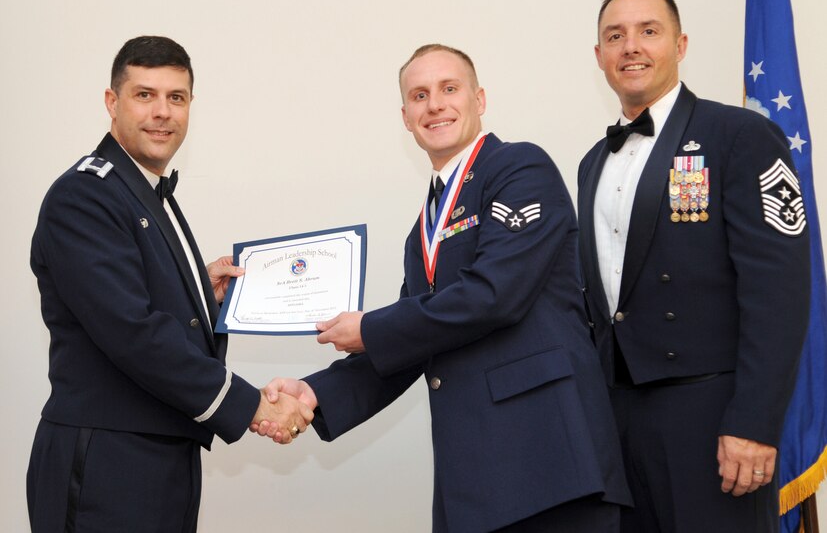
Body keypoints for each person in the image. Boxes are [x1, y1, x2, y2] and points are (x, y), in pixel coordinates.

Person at [258, 44, 631, 532]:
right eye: (419, 95)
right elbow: (414, 340)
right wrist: (312, 394)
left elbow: (493, 295)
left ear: (479, 99)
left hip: (548, 461)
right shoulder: (424, 231)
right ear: (406, 118)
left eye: (448, 89)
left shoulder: (520, 169)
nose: (434, 105)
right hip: (478, 477)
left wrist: (370, 326)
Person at [27, 36, 313, 532]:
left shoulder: (145, 191)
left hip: (157, 455)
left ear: (190, 107)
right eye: (145, 95)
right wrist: (253, 405)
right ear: (111, 103)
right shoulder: (83, 196)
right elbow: (132, 331)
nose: (162, 112)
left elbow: (127, 292)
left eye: (176, 98)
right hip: (106, 463)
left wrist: (201, 292)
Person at [578, 0, 810, 532]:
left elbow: (779, 292)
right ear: (599, 57)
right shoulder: (592, 163)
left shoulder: (740, 135)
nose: (631, 47)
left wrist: (754, 423)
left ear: (680, 45)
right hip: (620, 418)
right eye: (616, 36)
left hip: (714, 420)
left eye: (648, 32)